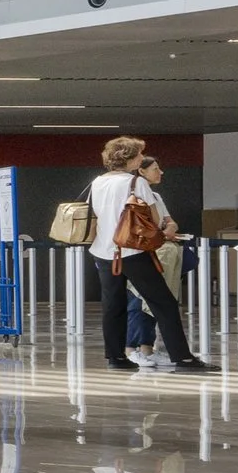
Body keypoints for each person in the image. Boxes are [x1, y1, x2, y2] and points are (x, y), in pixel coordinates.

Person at [83, 134, 209, 377]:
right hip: (131, 251)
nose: (142, 158)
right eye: (139, 154)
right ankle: (182, 356)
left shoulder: (97, 182)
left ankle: (116, 356)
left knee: (113, 305)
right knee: (163, 303)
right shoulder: (135, 183)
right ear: (129, 158)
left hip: (103, 251)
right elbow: (152, 219)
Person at [123, 155, 188, 368]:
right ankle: (131, 347)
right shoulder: (132, 195)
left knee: (157, 301)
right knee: (138, 299)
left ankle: (147, 347)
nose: (160, 173)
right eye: (155, 169)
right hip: (141, 252)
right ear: (141, 172)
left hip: (162, 251)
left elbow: (170, 221)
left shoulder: (156, 196)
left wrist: (169, 229)